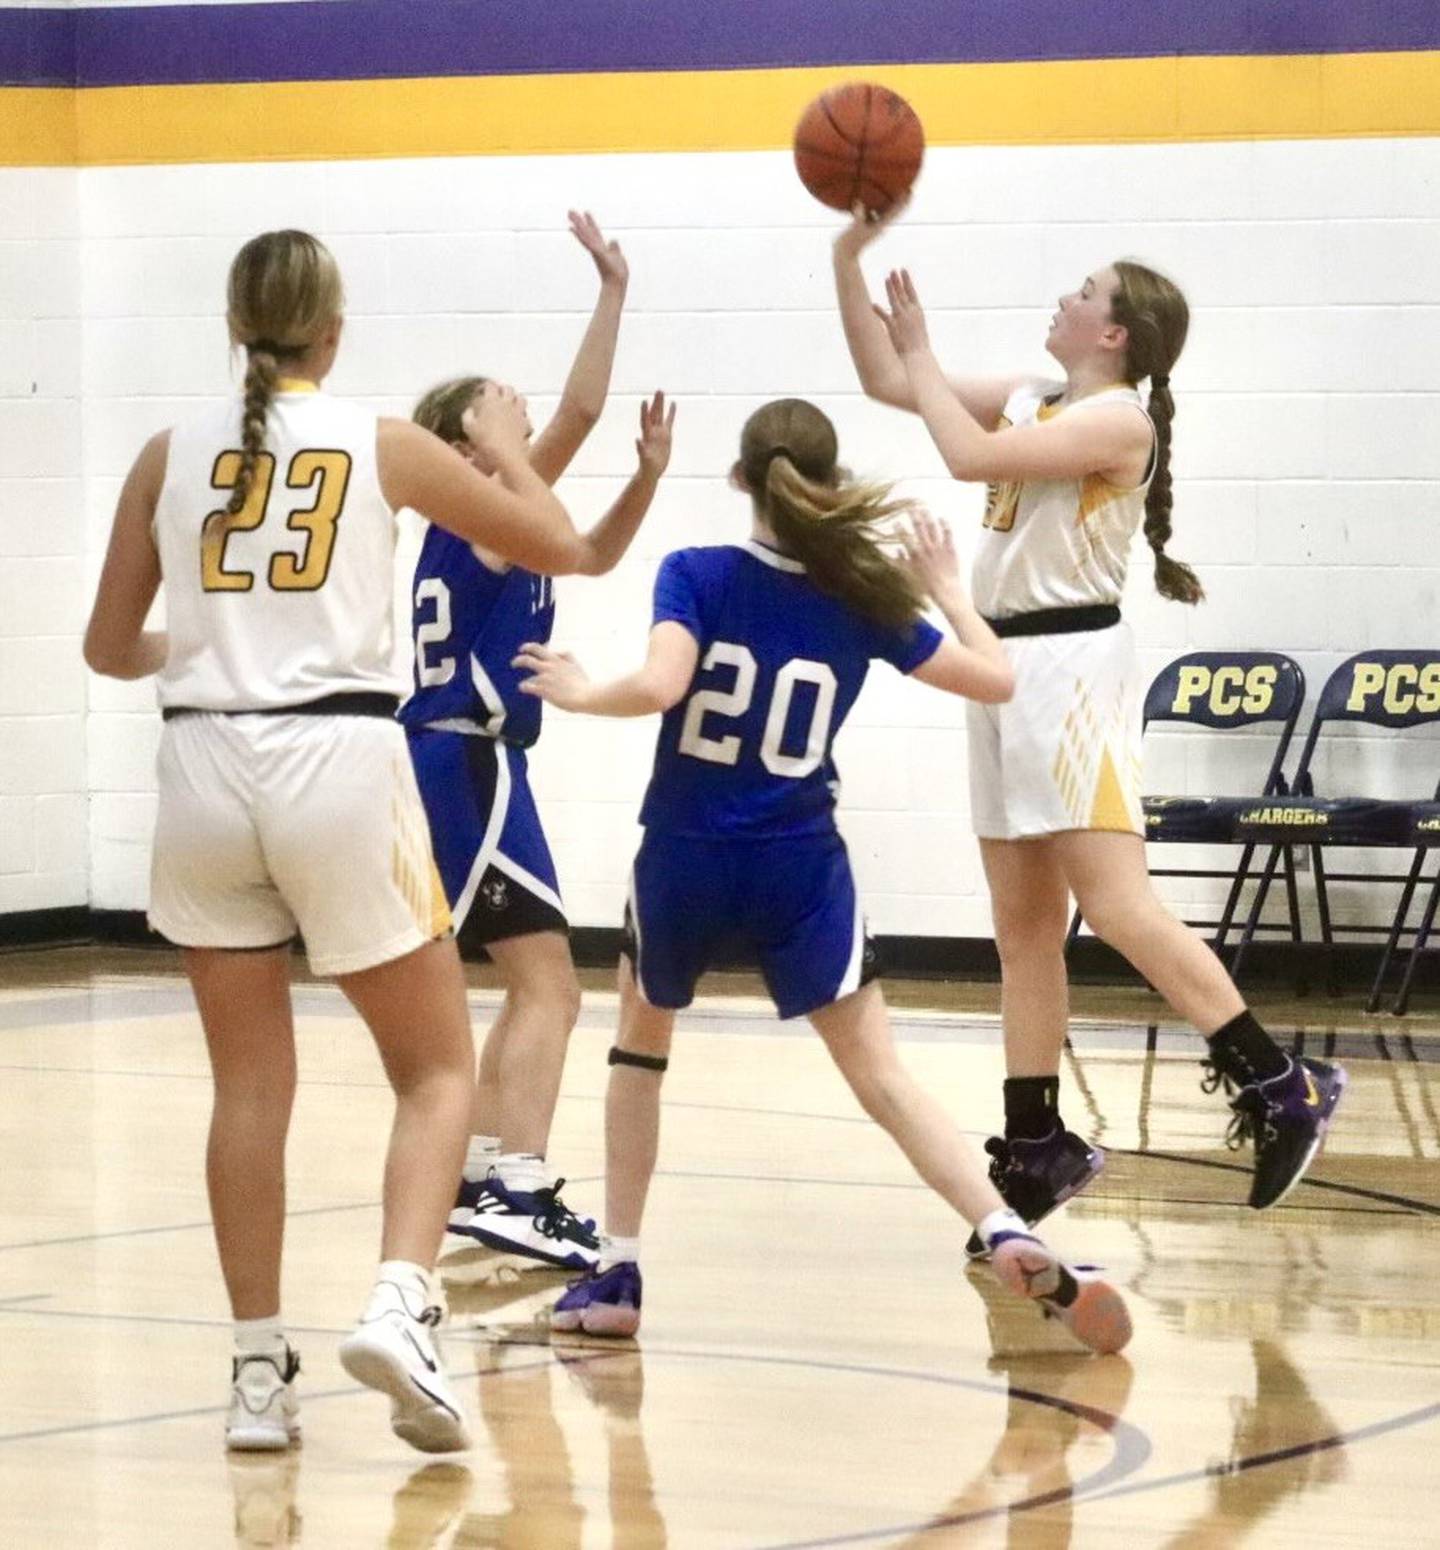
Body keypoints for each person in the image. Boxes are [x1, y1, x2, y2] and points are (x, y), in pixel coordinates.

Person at [82, 228, 591, 1455]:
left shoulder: (165, 452)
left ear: (233, 322)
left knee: (249, 1087)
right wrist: (521, 453)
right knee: (433, 1070)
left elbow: (107, 647)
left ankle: (258, 1371)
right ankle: (401, 1305)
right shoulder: (383, 440)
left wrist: (202, 656)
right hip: (337, 763)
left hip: (202, 767)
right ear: (334, 328)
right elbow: (564, 541)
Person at [515, 398, 1132, 1355]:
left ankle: (620, 1267)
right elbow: (999, 678)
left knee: (640, 1053)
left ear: (740, 480)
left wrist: (584, 690)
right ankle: (1001, 1224)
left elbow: (661, 686)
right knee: (882, 1076)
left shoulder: (698, 573)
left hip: (686, 853)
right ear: (831, 484)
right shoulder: (865, 594)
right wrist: (947, 586)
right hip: (800, 862)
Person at [832, 206, 1345, 1246]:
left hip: (1072, 671)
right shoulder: (1039, 395)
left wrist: (925, 349)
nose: (1064, 298)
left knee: (1114, 904)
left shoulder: (1121, 423)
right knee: (1022, 926)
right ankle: (1038, 1142)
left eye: (1083, 291)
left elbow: (969, 454)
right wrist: (847, 258)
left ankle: (1280, 1078)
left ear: (1114, 333)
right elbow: (890, 386)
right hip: (1002, 661)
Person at [399, 212, 674, 1273]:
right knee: (552, 984)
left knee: (531, 980)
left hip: (469, 760)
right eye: (491, 410)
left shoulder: (504, 510)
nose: (516, 413)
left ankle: (484, 1171)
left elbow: (587, 525)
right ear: (462, 450)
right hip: (461, 754)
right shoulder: (475, 511)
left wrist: (613, 286)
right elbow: (558, 435)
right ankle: (517, 1181)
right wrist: (520, 445)